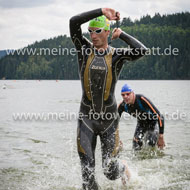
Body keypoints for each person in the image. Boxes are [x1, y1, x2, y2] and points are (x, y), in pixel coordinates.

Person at [69, 8, 147, 190]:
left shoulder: (117, 55)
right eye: (90, 31)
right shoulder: (83, 49)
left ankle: (123, 167)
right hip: (86, 119)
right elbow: (73, 22)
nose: (93, 35)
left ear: (106, 32)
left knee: (109, 172)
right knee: (87, 174)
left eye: (97, 31)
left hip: (109, 122)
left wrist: (122, 35)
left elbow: (141, 50)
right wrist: (101, 11)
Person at [118, 84, 165, 150]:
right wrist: (117, 139)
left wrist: (161, 136)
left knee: (151, 142)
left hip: (153, 122)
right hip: (141, 124)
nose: (125, 97)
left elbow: (160, 116)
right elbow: (114, 123)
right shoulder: (122, 105)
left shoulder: (141, 99)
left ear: (132, 93)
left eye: (128, 94)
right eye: (123, 95)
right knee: (136, 146)